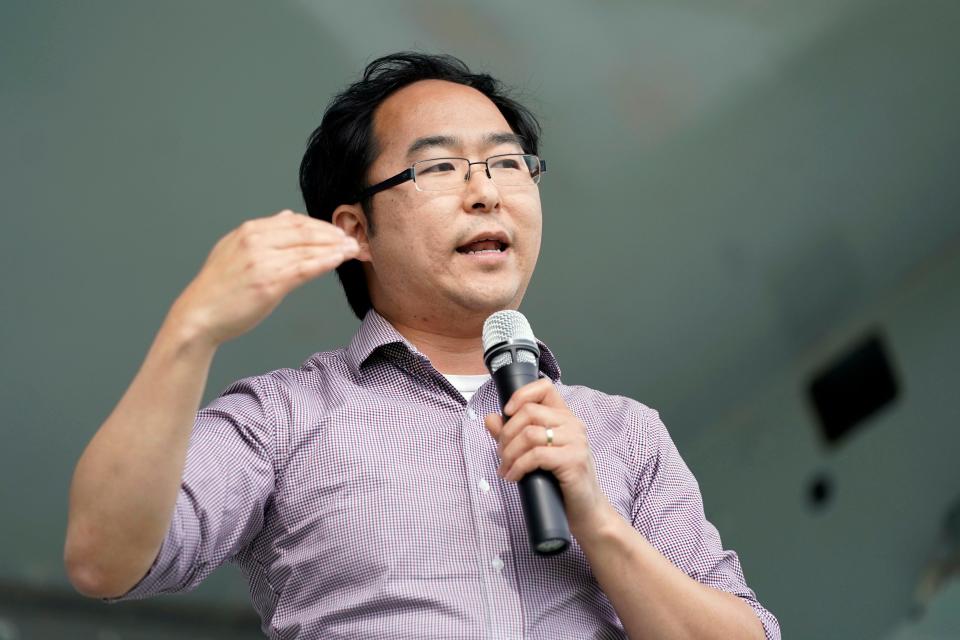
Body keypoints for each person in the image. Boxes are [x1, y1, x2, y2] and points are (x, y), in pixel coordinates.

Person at [64, 52, 781, 639]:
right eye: (440, 168)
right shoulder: (281, 419)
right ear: (357, 230)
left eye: (508, 164)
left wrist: (597, 520)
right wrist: (192, 331)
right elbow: (104, 560)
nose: (487, 193)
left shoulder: (625, 433)